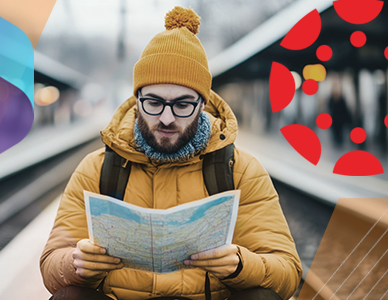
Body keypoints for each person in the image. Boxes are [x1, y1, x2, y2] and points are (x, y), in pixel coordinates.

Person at [40, 6, 302, 300]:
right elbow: (52, 266)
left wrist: (241, 265)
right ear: (136, 100)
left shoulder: (240, 169)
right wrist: (76, 263)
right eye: (154, 102)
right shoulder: (96, 169)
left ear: (202, 104)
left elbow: (287, 272)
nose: (166, 118)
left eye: (182, 104)